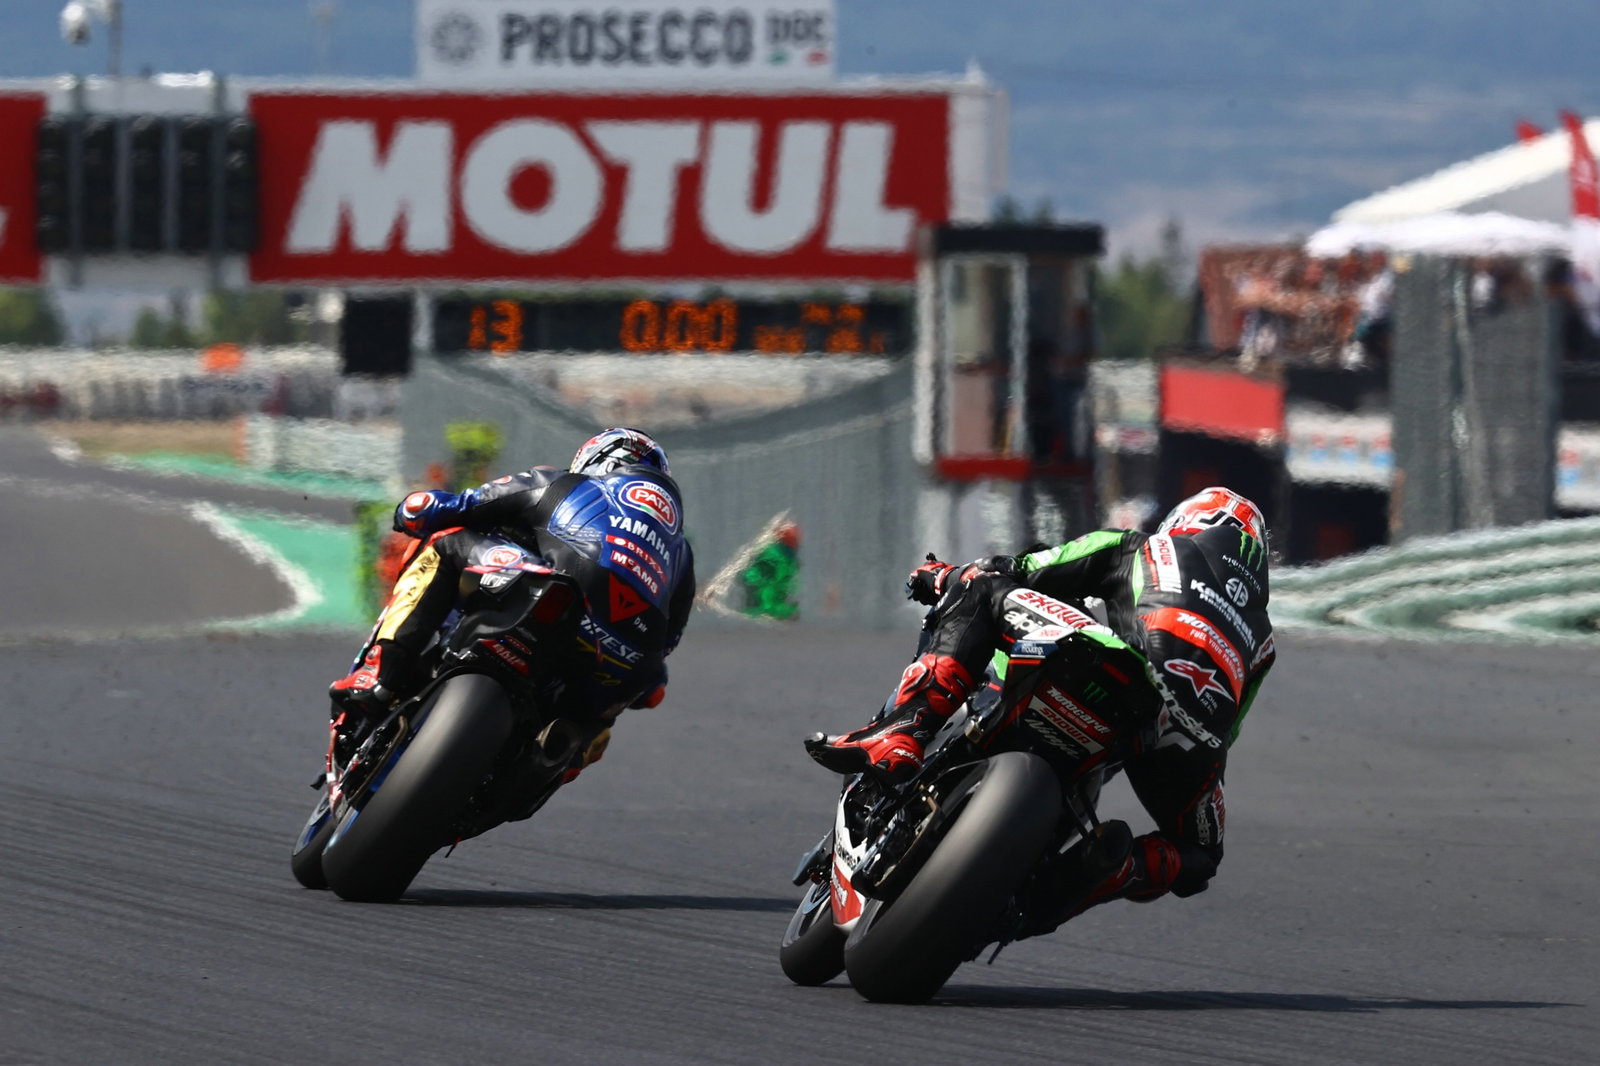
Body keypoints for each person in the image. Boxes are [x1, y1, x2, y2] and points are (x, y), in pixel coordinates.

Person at [806, 487, 1275, 934]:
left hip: (1102, 661)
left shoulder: (1145, 548)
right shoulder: (1264, 639)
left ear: (1185, 523)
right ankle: (1101, 872)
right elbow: (1228, 729)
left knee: (983, 584)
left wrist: (945, 576)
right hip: (1182, 733)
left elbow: (1027, 567)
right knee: (1199, 856)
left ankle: (906, 729)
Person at [329, 427, 696, 782]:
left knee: (445, 541)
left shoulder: (564, 483)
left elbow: (460, 507)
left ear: (595, 458)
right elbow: (666, 647)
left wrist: (416, 508)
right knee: (594, 728)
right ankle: (545, 770)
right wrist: (646, 683)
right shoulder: (681, 552)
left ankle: (382, 672)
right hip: (626, 659)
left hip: (551, 593)